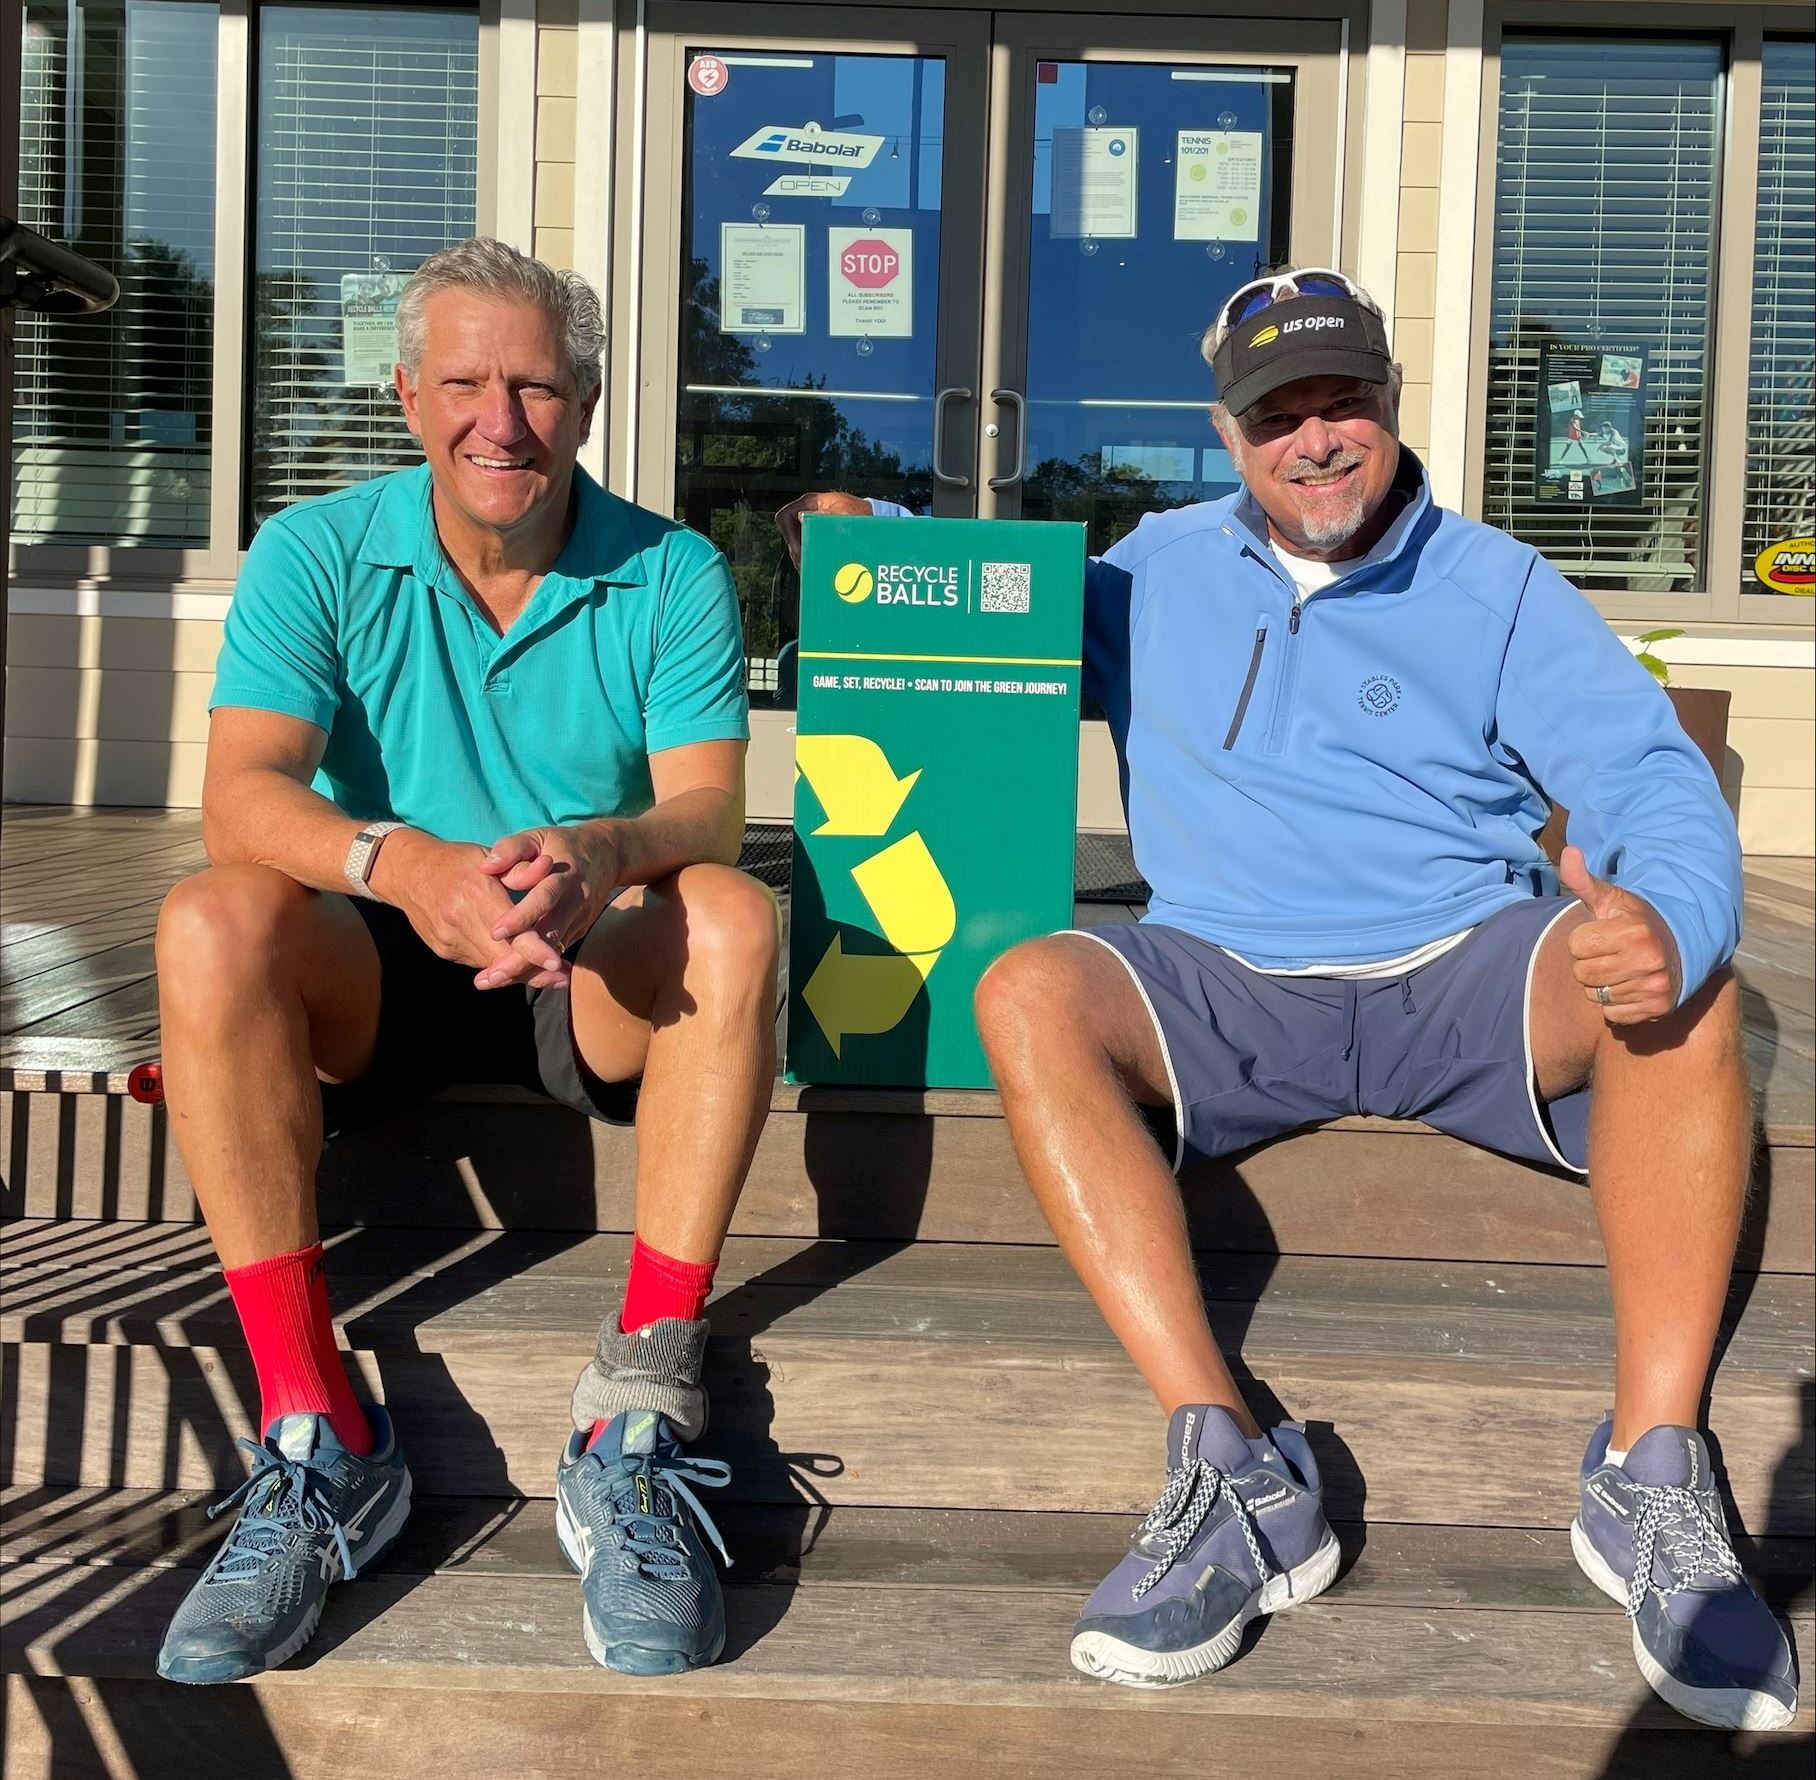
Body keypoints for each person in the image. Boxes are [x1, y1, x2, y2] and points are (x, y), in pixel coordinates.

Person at [786, 268, 1793, 1731]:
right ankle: (1236, 1465)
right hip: (1226, 974)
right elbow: (994, 605)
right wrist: (865, 545)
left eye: (1343, 404)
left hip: (1462, 965)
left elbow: (1650, 778)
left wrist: (1667, 912)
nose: (1315, 440)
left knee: (1695, 991)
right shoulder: (1155, 566)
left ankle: (1651, 1473)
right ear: (1231, 427)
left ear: (1388, 406)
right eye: (1278, 415)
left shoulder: (1500, 586)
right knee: (1029, 991)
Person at [154, 238, 778, 1684]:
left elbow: (706, 807)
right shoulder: (317, 549)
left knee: (735, 913)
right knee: (209, 912)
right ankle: (317, 1431)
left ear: (592, 401)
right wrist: (401, 864)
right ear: (406, 396)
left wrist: (602, 856)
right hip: (379, 962)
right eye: (466, 384)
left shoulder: (671, 566)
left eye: (540, 387)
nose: (502, 421)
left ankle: (636, 1416)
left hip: (591, 962)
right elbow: (243, 791)